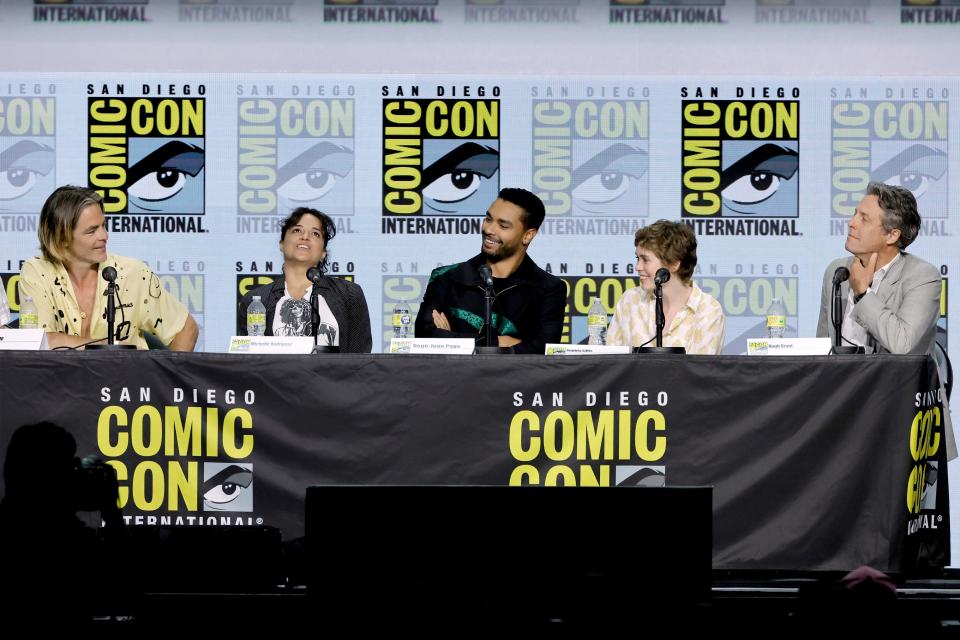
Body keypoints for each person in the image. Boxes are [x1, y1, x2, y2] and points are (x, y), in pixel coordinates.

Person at [18, 185, 198, 350]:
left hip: (126, 382)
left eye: (104, 225)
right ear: (62, 238)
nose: (104, 236)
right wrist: (109, 350)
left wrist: (165, 382)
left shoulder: (133, 273)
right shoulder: (37, 272)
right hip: (62, 384)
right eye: (91, 231)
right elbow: (38, 342)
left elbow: (186, 329)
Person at [414, 188, 565, 354]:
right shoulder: (446, 277)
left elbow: (542, 350)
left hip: (515, 380)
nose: (489, 229)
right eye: (488, 219)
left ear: (527, 236)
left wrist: (452, 339)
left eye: (503, 225)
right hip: (455, 379)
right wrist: (503, 342)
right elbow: (425, 336)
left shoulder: (549, 288)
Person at [816, 182, 940, 355]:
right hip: (842, 380)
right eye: (854, 215)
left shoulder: (923, 277)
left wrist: (862, 293)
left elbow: (901, 344)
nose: (851, 223)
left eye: (864, 219)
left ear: (891, 235)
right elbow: (822, 348)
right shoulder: (836, 271)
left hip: (898, 381)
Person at [238, 207, 372, 352]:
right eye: (297, 230)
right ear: (281, 244)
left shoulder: (349, 294)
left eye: (315, 233)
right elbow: (249, 363)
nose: (305, 236)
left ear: (323, 253)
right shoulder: (256, 301)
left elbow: (360, 362)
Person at [606, 220, 724, 354]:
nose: (637, 267)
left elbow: (701, 371)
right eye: (637, 259)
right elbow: (611, 364)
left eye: (645, 260)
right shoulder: (630, 300)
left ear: (674, 264)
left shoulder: (708, 310)